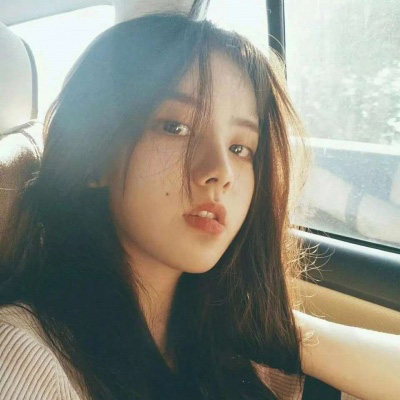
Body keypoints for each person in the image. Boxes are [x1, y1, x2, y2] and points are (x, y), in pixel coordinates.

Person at [0, 13, 399, 400]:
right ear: (94, 157)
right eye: (176, 127)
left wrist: (278, 329)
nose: (221, 172)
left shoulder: (232, 344)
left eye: (240, 148)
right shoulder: (26, 356)